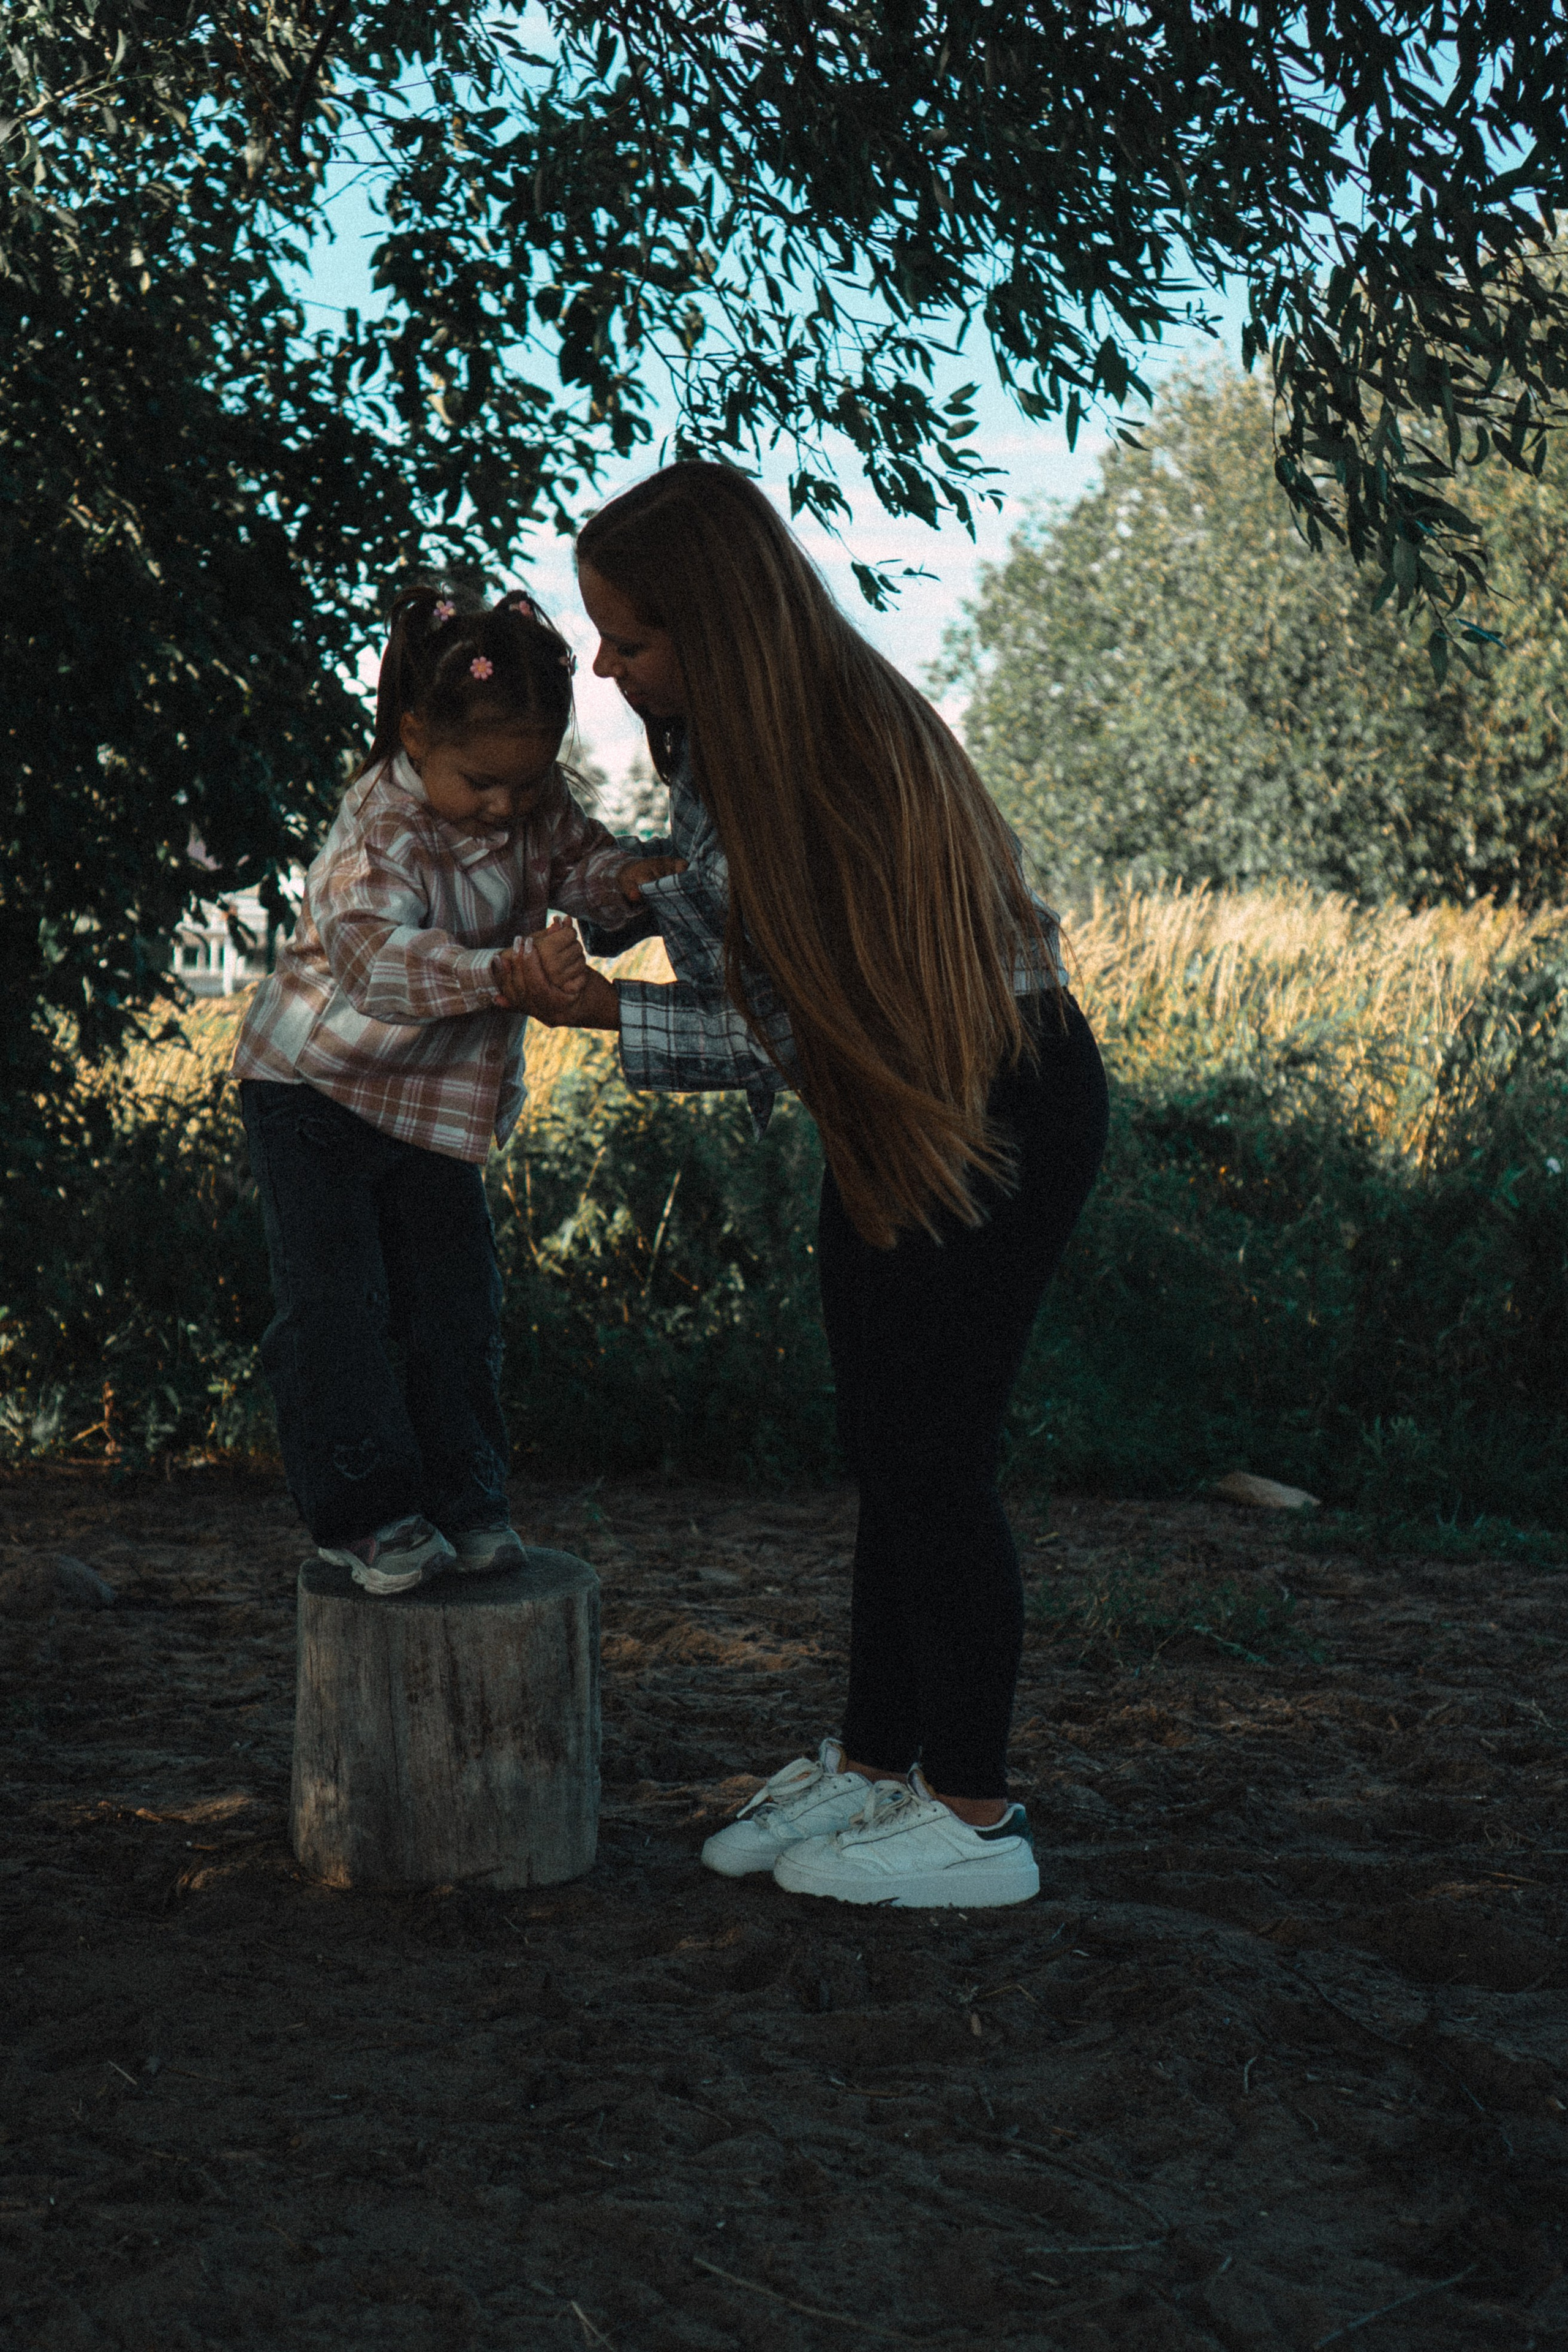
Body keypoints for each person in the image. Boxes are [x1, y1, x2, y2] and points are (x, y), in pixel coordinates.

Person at [535, 463, 1109, 1909]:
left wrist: (603, 1012)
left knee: (935, 1458)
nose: (604, 662)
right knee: (889, 1444)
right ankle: (873, 1765)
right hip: (901, 1106)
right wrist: (649, 888)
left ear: (718, 629)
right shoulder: (738, 746)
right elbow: (765, 940)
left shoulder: (823, 757)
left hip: (991, 1098)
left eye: (633, 638)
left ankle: (972, 1818)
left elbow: (793, 1020)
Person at [232, 584, 680, 1594]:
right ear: (415, 732)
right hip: (315, 1090)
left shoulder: (529, 800)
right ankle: (367, 1516)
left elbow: (582, 863)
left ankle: (466, 1498)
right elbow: (375, 967)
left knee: (455, 1302)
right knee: (337, 1305)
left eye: (527, 786)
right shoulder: (378, 830)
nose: (506, 808)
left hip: (430, 1112)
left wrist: (631, 886)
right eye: (482, 783)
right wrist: (504, 976)